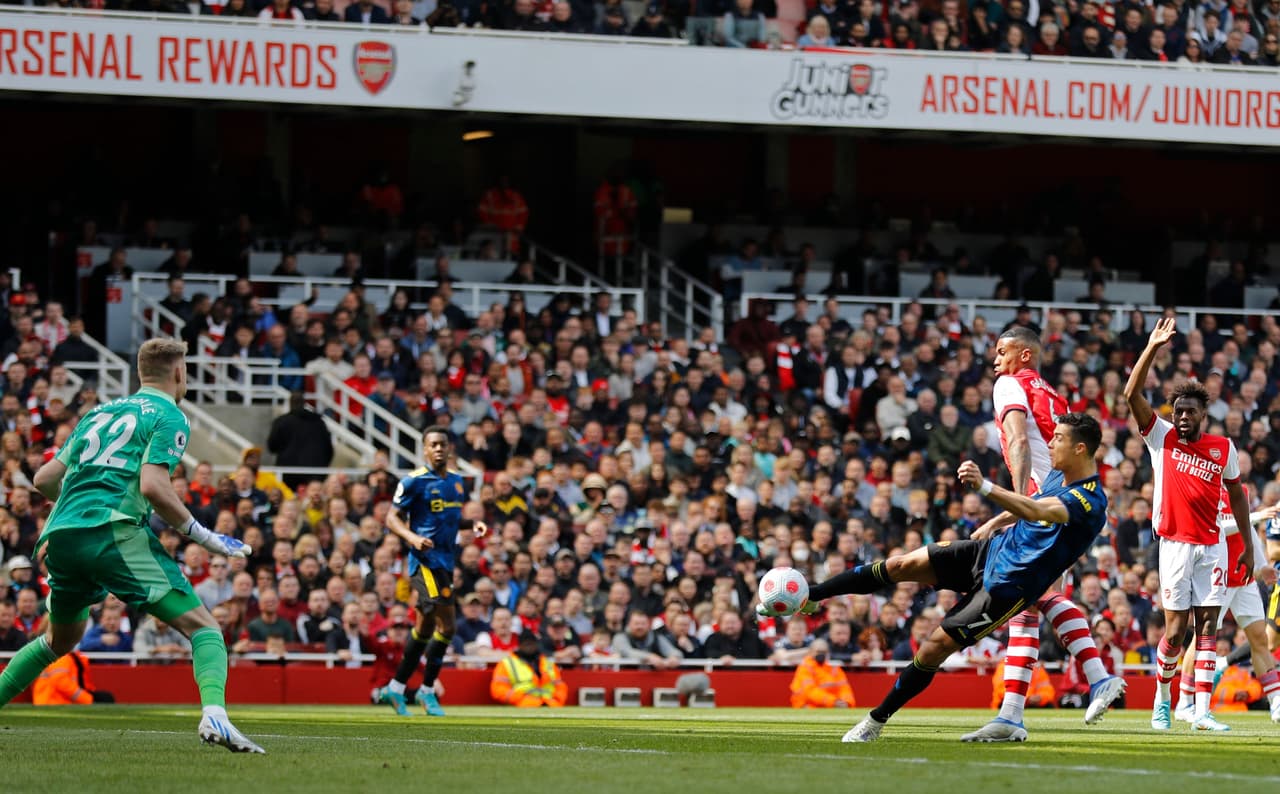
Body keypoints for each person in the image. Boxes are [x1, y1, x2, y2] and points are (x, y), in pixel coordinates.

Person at [762, 412, 1107, 743]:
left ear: (1080, 448)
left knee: (932, 649)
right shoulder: (1057, 477)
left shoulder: (1089, 500)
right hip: (989, 552)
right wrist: (994, 523)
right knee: (900, 565)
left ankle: (875, 720)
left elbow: (1037, 510)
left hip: (1007, 587)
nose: (1050, 445)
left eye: (1058, 439)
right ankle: (810, 597)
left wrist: (984, 486)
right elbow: (1029, 502)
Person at [0, 338, 263, 753]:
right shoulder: (169, 414)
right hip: (113, 532)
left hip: (62, 536)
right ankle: (215, 716)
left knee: (58, 641)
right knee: (204, 628)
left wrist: (83, 495)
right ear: (178, 373)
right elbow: (153, 486)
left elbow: (44, 480)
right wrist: (205, 536)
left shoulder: (98, 413)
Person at [977, 326, 1125, 740]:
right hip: (1063, 498)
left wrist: (1015, 503)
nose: (996, 360)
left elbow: (1019, 440)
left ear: (1024, 355)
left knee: (1036, 596)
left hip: (1044, 503)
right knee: (1025, 606)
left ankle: (1097, 677)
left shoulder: (1009, 384)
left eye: (1002, 351)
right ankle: (1011, 716)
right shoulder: (1053, 395)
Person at [1124, 317, 1254, 732]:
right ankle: (1162, 699)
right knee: (1176, 632)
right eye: (1177, 410)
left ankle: (1200, 712)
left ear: (1203, 415)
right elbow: (1131, 394)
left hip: (1212, 546)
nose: (1181, 417)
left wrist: (1248, 546)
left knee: (1209, 629)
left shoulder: (1223, 447)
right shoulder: (1160, 437)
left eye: (1189, 412)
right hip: (1175, 545)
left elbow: (1237, 495)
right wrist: (1152, 348)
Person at [377, 426, 488, 716]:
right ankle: (426, 691)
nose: (438, 449)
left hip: (446, 562)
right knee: (446, 625)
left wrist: (471, 525)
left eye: (442, 444)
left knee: (430, 628)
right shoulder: (413, 482)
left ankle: (398, 688)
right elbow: (392, 518)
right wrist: (412, 537)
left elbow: (450, 520)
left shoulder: (457, 482)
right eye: (433, 445)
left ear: (449, 449)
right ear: (425, 450)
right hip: (423, 562)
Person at [1171, 489, 1280, 723]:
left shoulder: (1241, 489)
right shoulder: (1204, 487)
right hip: (1219, 575)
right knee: (1203, 639)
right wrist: (1256, 516)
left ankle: (1277, 703)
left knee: (1260, 639)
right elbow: (1217, 526)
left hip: (1245, 576)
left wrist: (1261, 564)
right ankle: (1184, 701)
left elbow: (1246, 530)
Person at [489, 630, 567, 707]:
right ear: (519, 645)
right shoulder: (507, 663)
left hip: (551, 705)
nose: (529, 647)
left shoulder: (548, 663)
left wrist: (557, 699)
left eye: (531, 643)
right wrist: (520, 698)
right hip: (524, 706)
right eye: (526, 644)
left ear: (536, 644)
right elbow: (498, 689)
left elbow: (560, 686)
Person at [789, 638, 855, 709]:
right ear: (810, 652)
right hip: (806, 707)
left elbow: (844, 689)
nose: (821, 654)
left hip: (830, 707)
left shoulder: (834, 668)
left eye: (824, 652)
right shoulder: (804, 668)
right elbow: (810, 691)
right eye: (818, 651)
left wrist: (846, 702)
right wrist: (833, 702)